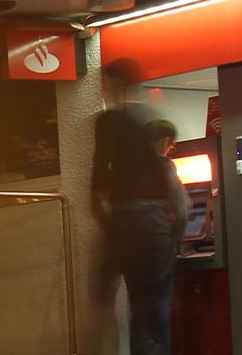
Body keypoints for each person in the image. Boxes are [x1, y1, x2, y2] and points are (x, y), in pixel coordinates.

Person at [92, 110, 188, 355]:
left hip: (127, 246)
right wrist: (178, 239)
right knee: (157, 308)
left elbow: (103, 208)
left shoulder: (121, 170)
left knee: (140, 310)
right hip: (157, 243)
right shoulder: (163, 165)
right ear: (166, 142)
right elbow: (182, 208)